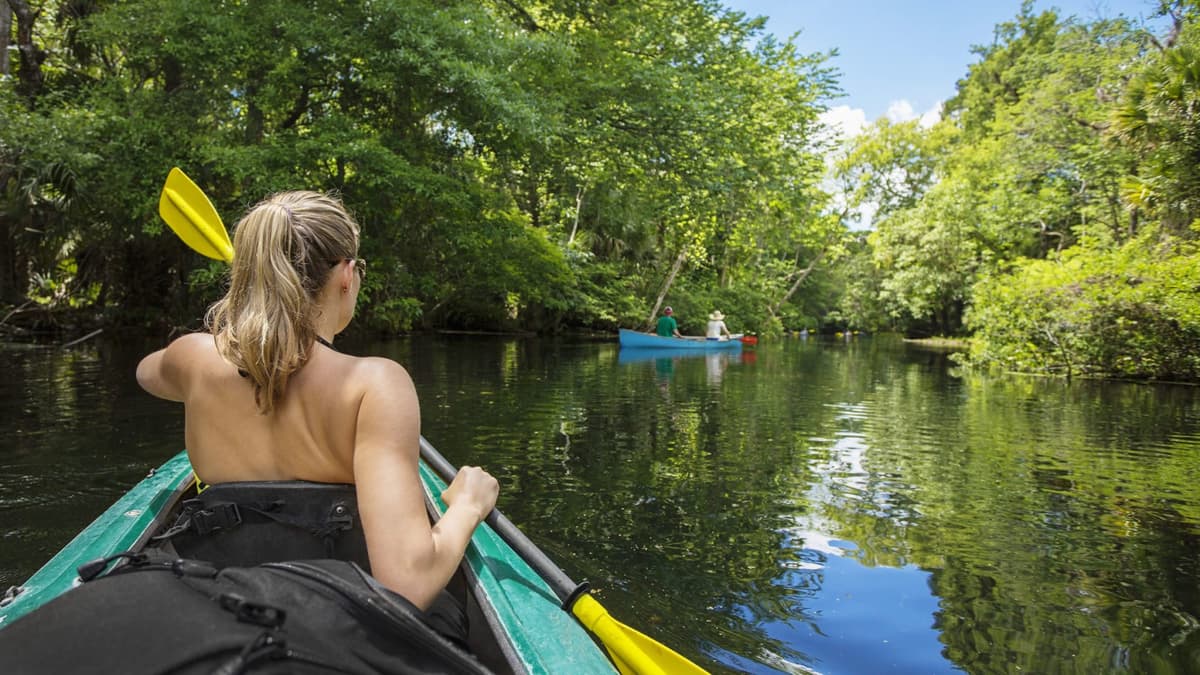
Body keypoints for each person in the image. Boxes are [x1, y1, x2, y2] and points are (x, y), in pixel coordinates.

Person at [135, 190, 498, 614]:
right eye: (358, 267)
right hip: (337, 621)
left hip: (220, 607)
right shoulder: (375, 385)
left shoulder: (192, 358)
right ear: (346, 274)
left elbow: (147, 373)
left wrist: (233, 341)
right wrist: (469, 505)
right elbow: (407, 586)